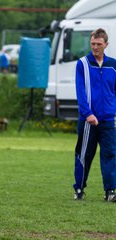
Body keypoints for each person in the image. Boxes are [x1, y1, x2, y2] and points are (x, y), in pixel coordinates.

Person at [73, 28, 116, 202]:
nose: (95, 47)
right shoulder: (82, 64)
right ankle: (79, 189)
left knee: (110, 155)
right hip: (88, 121)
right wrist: (88, 113)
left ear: (106, 44)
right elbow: (80, 91)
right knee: (84, 155)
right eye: (93, 44)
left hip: (108, 120)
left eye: (99, 44)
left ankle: (110, 191)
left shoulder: (113, 65)